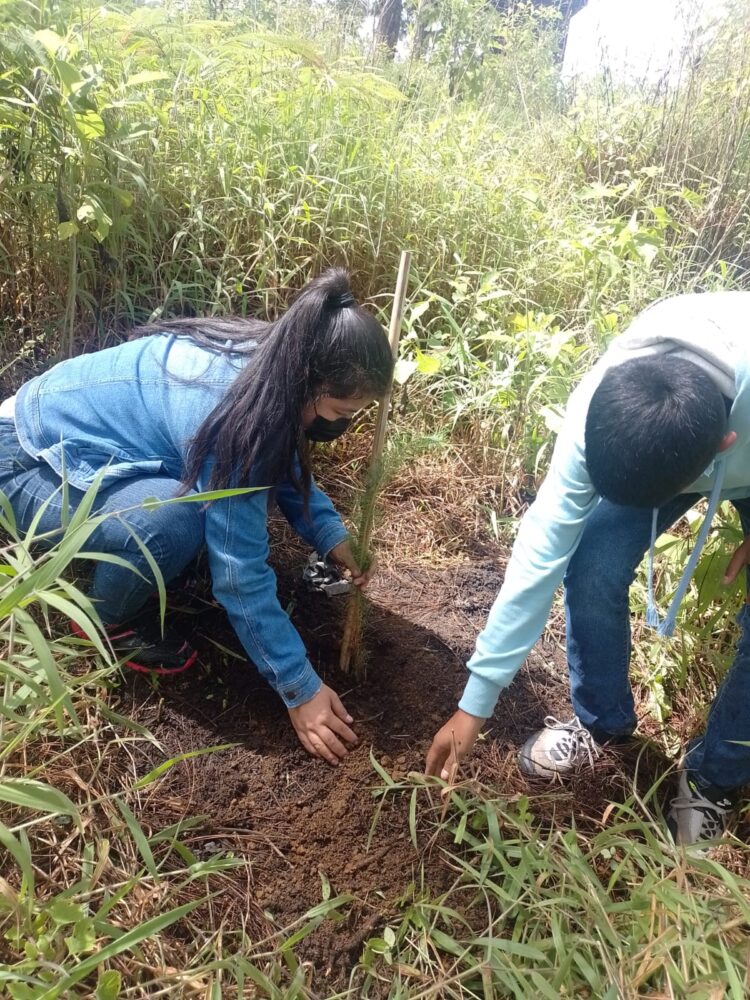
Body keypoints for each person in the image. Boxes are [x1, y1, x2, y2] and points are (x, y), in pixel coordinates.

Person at [0, 269, 393, 766]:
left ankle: (129, 556)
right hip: (26, 462)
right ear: (309, 381)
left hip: (77, 447)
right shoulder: (235, 411)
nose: (341, 424)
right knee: (174, 522)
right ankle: (104, 620)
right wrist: (300, 688)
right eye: (340, 411)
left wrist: (331, 535)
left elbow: (284, 460)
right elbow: (240, 574)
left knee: (192, 518)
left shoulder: (278, 364)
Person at [426, 291, 750, 847]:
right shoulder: (604, 408)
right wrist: (473, 706)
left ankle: (715, 776)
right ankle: (602, 723)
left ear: (725, 446)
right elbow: (539, 556)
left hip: (730, 452)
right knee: (594, 558)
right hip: (680, 446)